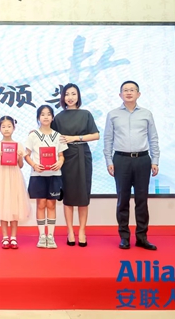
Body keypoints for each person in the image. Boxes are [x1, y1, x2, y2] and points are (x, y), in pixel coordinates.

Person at [104, 81, 160, 251]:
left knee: (142, 201)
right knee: (123, 200)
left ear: (138, 94)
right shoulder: (113, 114)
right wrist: (109, 161)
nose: (129, 93)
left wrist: (155, 160)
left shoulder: (146, 114)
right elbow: (108, 139)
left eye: (132, 90)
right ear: (120, 95)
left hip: (142, 159)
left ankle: (142, 237)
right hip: (121, 160)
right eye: (125, 90)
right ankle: (124, 237)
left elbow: (153, 138)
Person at [51, 83, 99, 248]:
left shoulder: (86, 114)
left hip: (82, 155)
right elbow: (50, 136)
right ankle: (70, 231)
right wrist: (34, 133)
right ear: (63, 97)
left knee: (83, 196)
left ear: (78, 96)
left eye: (73, 94)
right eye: (67, 94)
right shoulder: (58, 117)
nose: (70, 97)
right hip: (65, 157)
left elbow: (96, 135)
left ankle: (82, 231)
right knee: (69, 196)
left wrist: (76, 138)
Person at [24, 105, 67, 249]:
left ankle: (51, 236)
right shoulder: (33, 135)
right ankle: (42, 236)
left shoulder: (58, 136)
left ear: (53, 117)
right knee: (41, 204)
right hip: (38, 175)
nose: (46, 117)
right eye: (42, 114)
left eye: (49, 114)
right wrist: (34, 165)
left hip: (54, 175)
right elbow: (26, 155)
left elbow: (61, 156)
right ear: (38, 118)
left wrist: (60, 162)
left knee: (51, 205)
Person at [0, 116, 31, 249]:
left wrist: (20, 157)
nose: (6, 129)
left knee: (14, 206)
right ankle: (5, 237)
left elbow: (21, 165)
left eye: (9, 126)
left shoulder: (19, 145)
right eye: (3, 127)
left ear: (14, 128)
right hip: (1, 177)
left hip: (14, 177)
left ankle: (13, 237)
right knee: (2, 205)